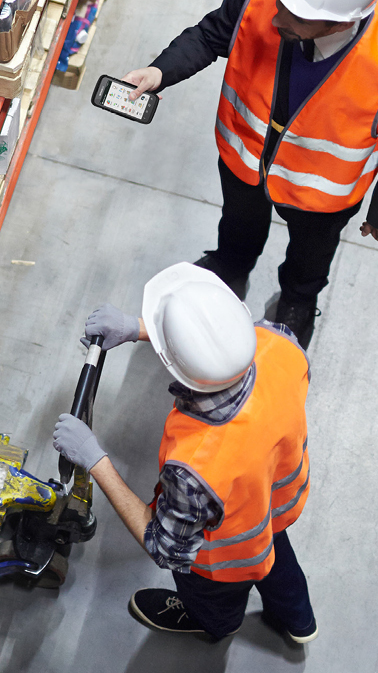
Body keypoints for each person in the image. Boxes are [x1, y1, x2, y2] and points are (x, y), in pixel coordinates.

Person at [120, 0, 378, 348]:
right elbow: (212, 34)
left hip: (322, 196)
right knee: (238, 225)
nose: (277, 19)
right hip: (245, 158)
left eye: (297, 17)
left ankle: (298, 302)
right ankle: (231, 265)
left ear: (342, 21)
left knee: (310, 257)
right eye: (283, 6)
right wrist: (160, 72)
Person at [52, 262, 316, 643]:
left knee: (215, 598)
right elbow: (219, 348)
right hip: (276, 506)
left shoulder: (197, 464)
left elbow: (165, 547)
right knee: (277, 561)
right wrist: (137, 328)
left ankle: (216, 623)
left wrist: (95, 459)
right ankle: (299, 621)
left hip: (223, 559)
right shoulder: (281, 343)